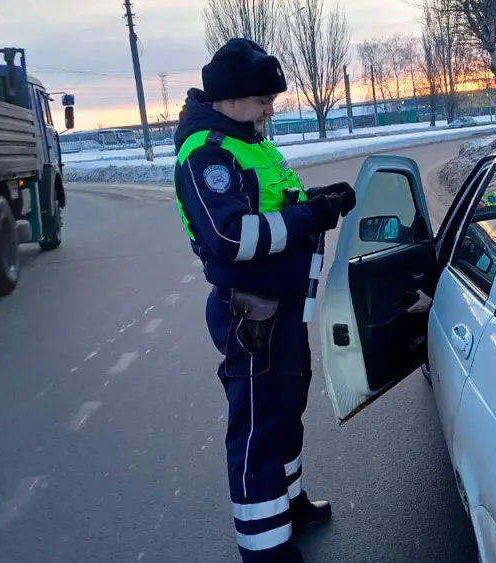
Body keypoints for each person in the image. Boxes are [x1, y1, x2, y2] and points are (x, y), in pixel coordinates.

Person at [171, 38, 356, 563]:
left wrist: (319, 200)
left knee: (285, 411)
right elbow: (230, 236)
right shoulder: (205, 154)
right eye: (263, 100)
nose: (271, 108)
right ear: (231, 98)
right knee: (256, 427)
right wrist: (308, 219)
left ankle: (288, 503)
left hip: (283, 306)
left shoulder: (249, 141)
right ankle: (265, 546)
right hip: (250, 311)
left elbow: (277, 202)